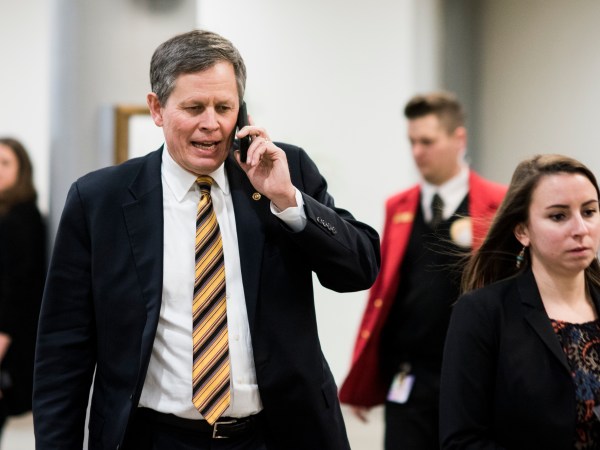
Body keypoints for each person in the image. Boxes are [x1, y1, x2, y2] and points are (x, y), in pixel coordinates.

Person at [32, 29, 380, 450]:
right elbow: (63, 348)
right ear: (157, 109)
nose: (211, 124)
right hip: (154, 439)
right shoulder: (98, 201)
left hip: (277, 435)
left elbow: (360, 269)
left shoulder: (285, 173)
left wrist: (288, 201)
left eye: (224, 107)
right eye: (194, 107)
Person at [339, 91, 506, 449]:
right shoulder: (398, 206)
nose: (417, 152)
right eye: (412, 142)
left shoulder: (498, 204)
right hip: (409, 378)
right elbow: (382, 293)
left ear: (459, 139)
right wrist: (364, 374)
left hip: (474, 376)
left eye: (427, 142)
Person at [440, 154, 600, 449]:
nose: (580, 228)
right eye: (559, 216)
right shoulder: (482, 312)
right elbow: (462, 441)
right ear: (522, 231)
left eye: (589, 211)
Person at [0, 138, 45, 437]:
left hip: (8, 349)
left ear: (22, 171)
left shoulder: (20, 220)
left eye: (5, 163)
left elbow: (13, 296)